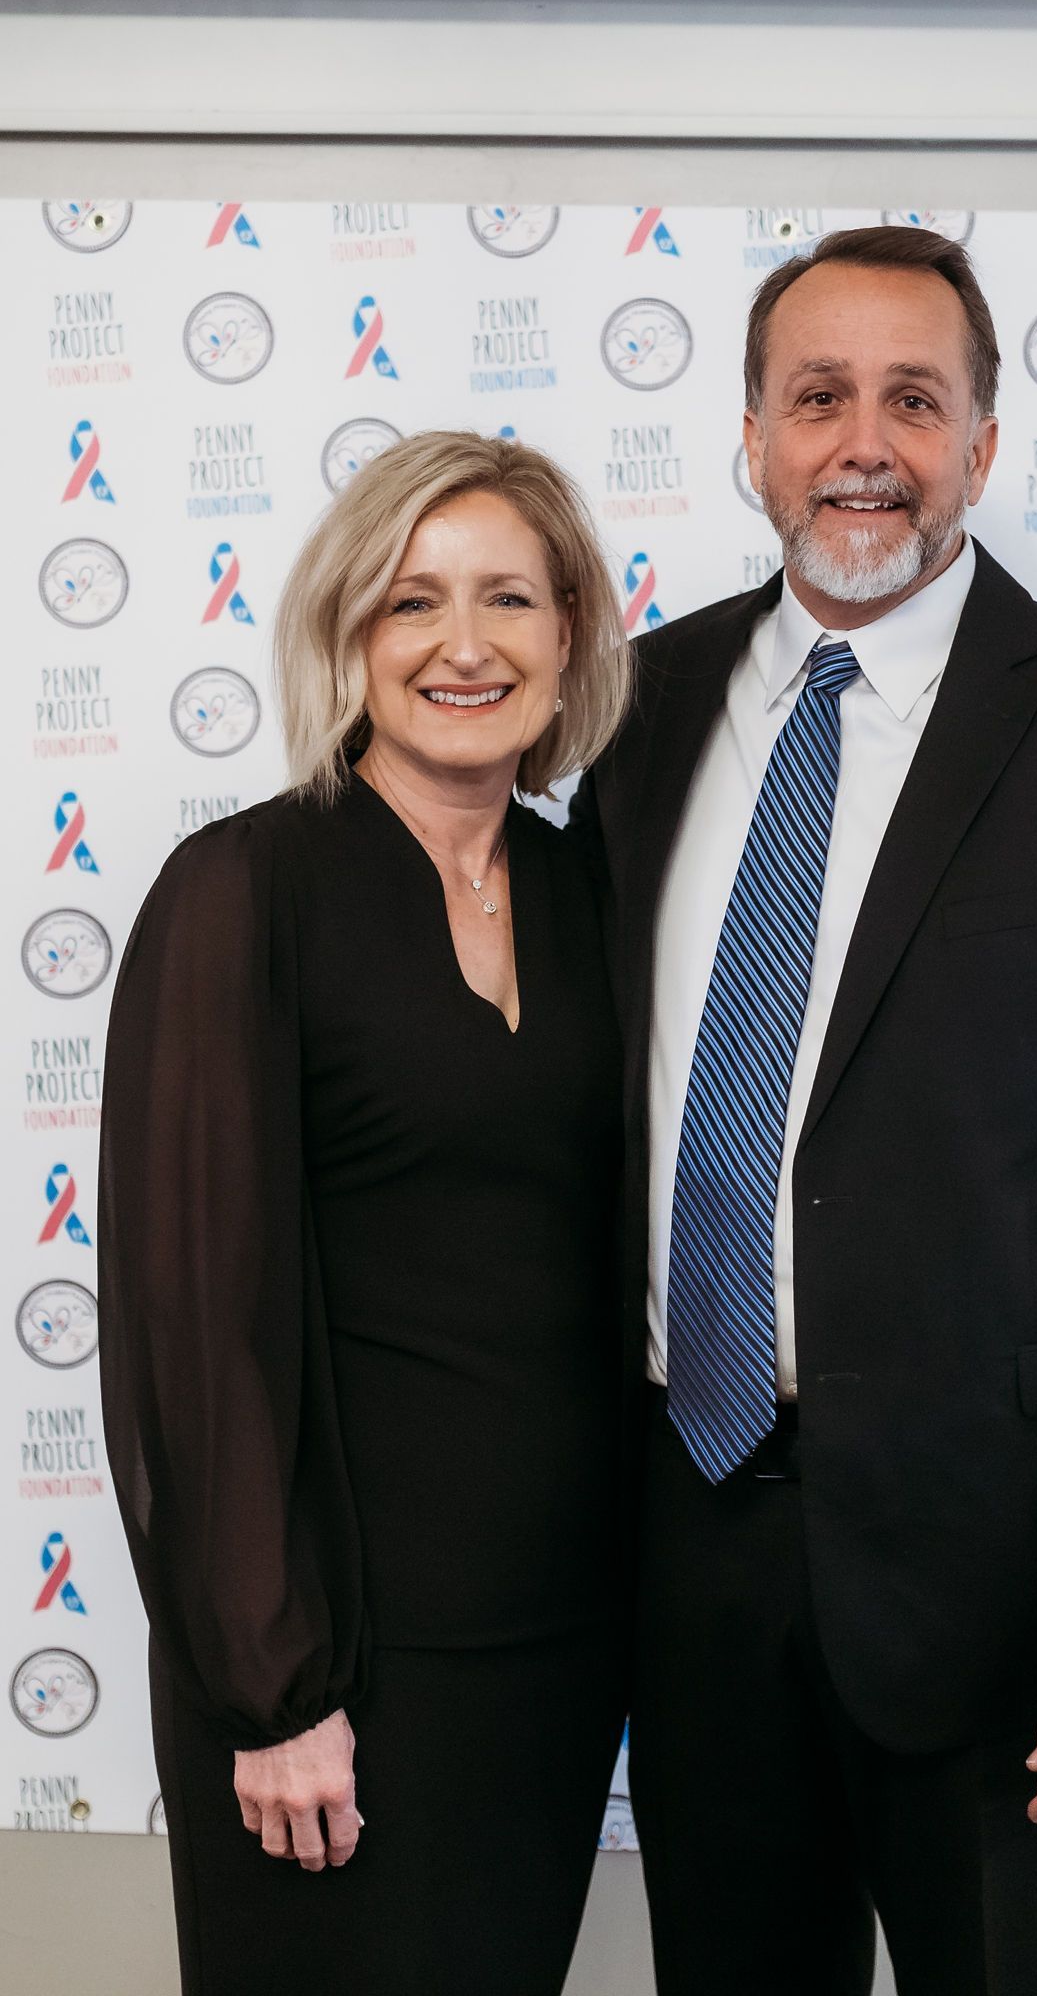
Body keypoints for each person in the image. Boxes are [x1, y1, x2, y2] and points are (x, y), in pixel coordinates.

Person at [571, 226, 1037, 1994]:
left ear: (981, 441)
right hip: (692, 1545)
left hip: (1010, 1596)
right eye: (818, 398)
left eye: (913, 398)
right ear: (753, 438)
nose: (863, 444)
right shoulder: (632, 712)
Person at [98, 430, 633, 1996]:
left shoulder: (595, 896)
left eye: (508, 599)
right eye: (413, 601)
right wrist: (271, 1689)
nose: (464, 645)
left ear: (570, 634)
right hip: (338, 1666)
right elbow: (194, 1325)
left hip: (556, 1649)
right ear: (348, 633)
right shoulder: (244, 890)